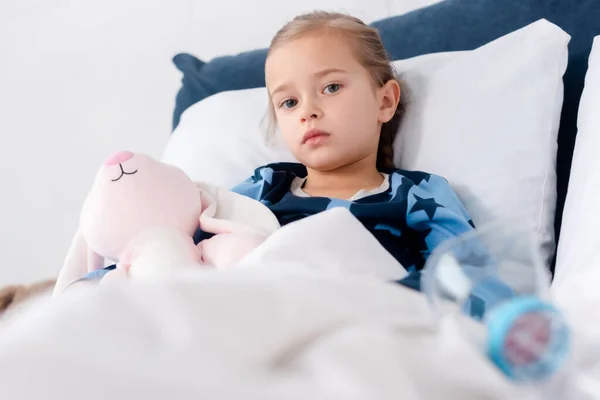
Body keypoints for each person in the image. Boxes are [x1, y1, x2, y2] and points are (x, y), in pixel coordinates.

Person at [231, 11, 477, 290]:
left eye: (331, 87)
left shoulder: (418, 193)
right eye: (289, 102)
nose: (307, 111)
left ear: (384, 101)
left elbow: (471, 282)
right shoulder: (264, 188)